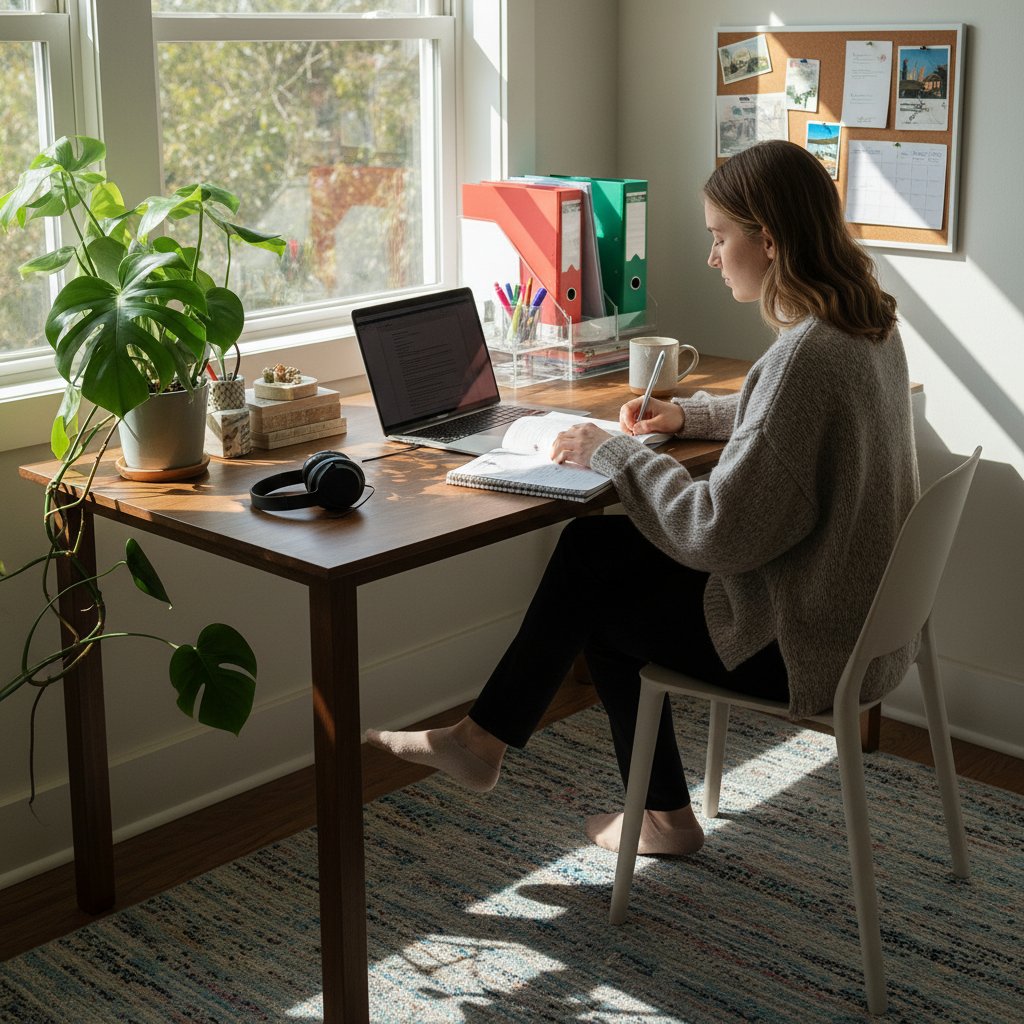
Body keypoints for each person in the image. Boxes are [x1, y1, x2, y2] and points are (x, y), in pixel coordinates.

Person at [367, 140, 919, 857]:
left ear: (771, 241)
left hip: (807, 645)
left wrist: (612, 451)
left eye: (720, 237)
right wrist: (690, 415)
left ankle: (576, 780)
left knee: (595, 581)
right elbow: (782, 423)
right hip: (866, 626)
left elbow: (715, 533)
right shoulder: (864, 325)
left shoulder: (806, 359)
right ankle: (516, 755)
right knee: (599, 555)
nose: (713, 257)